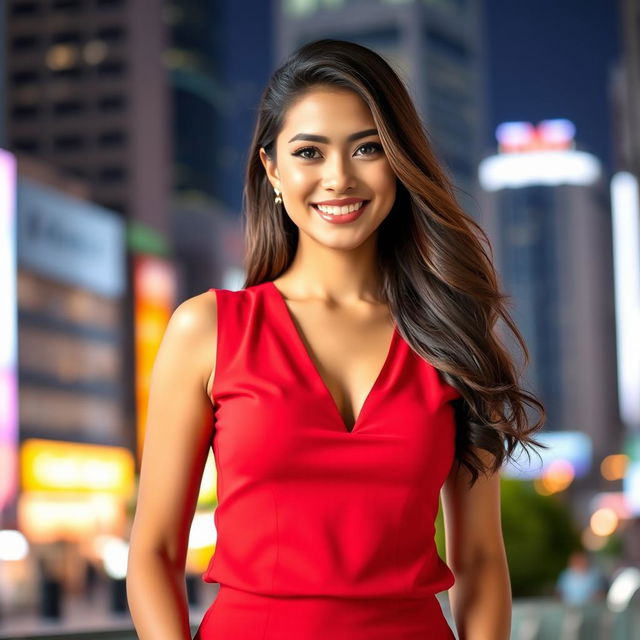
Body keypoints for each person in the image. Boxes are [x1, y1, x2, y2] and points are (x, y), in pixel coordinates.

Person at [126, 39, 547, 639]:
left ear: (399, 162)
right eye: (309, 152)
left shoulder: (452, 336)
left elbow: (478, 560)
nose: (339, 178)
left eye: (367, 148)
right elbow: (155, 553)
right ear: (273, 169)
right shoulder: (207, 329)